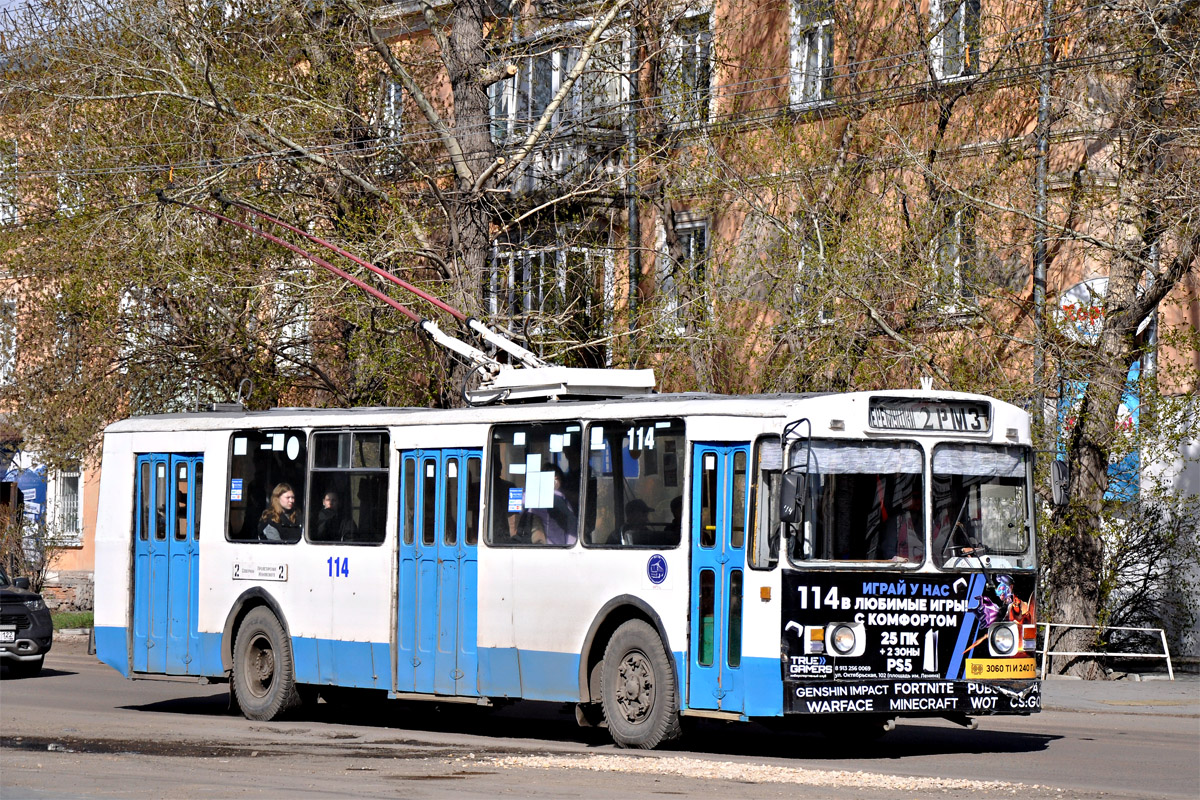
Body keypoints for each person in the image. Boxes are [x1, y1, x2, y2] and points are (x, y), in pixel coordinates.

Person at [528, 466, 577, 546]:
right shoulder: (555, 497)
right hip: (556, 546)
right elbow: (572, 523)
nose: (555, 480)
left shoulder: (535, 499)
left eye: (557, 478)